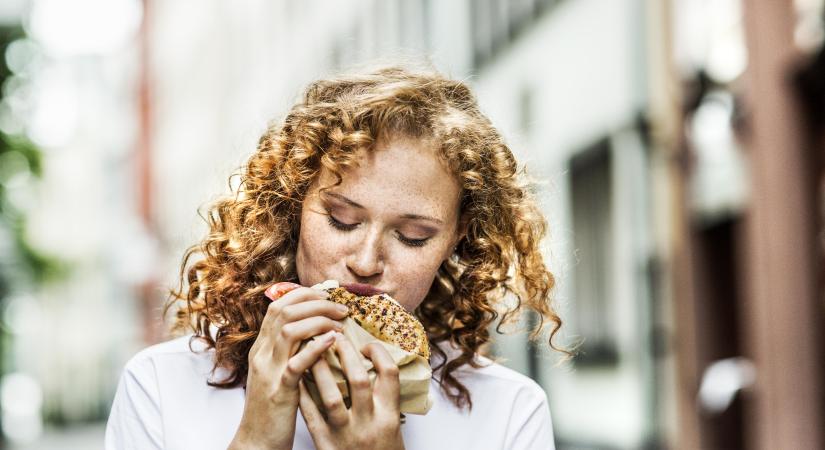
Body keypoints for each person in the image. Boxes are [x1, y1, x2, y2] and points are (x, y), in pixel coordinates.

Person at [105, 65, 568, 450]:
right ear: (293, 208)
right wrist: (257, 438)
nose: (366, 261)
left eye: (412, 236)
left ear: (456, 240)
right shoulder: (162, 386)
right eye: (342, 221)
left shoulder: (508, 411)